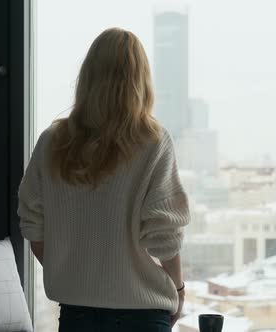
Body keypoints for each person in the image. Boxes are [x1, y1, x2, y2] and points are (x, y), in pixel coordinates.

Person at [17, 27, 189, 332]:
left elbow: (33, 227)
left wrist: (74, 275)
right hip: (143, 315)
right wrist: (177, 289)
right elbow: (164, 236)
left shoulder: (51, 141)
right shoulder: (153, 140)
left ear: (88, 76)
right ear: (141, 80)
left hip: (77, 316)